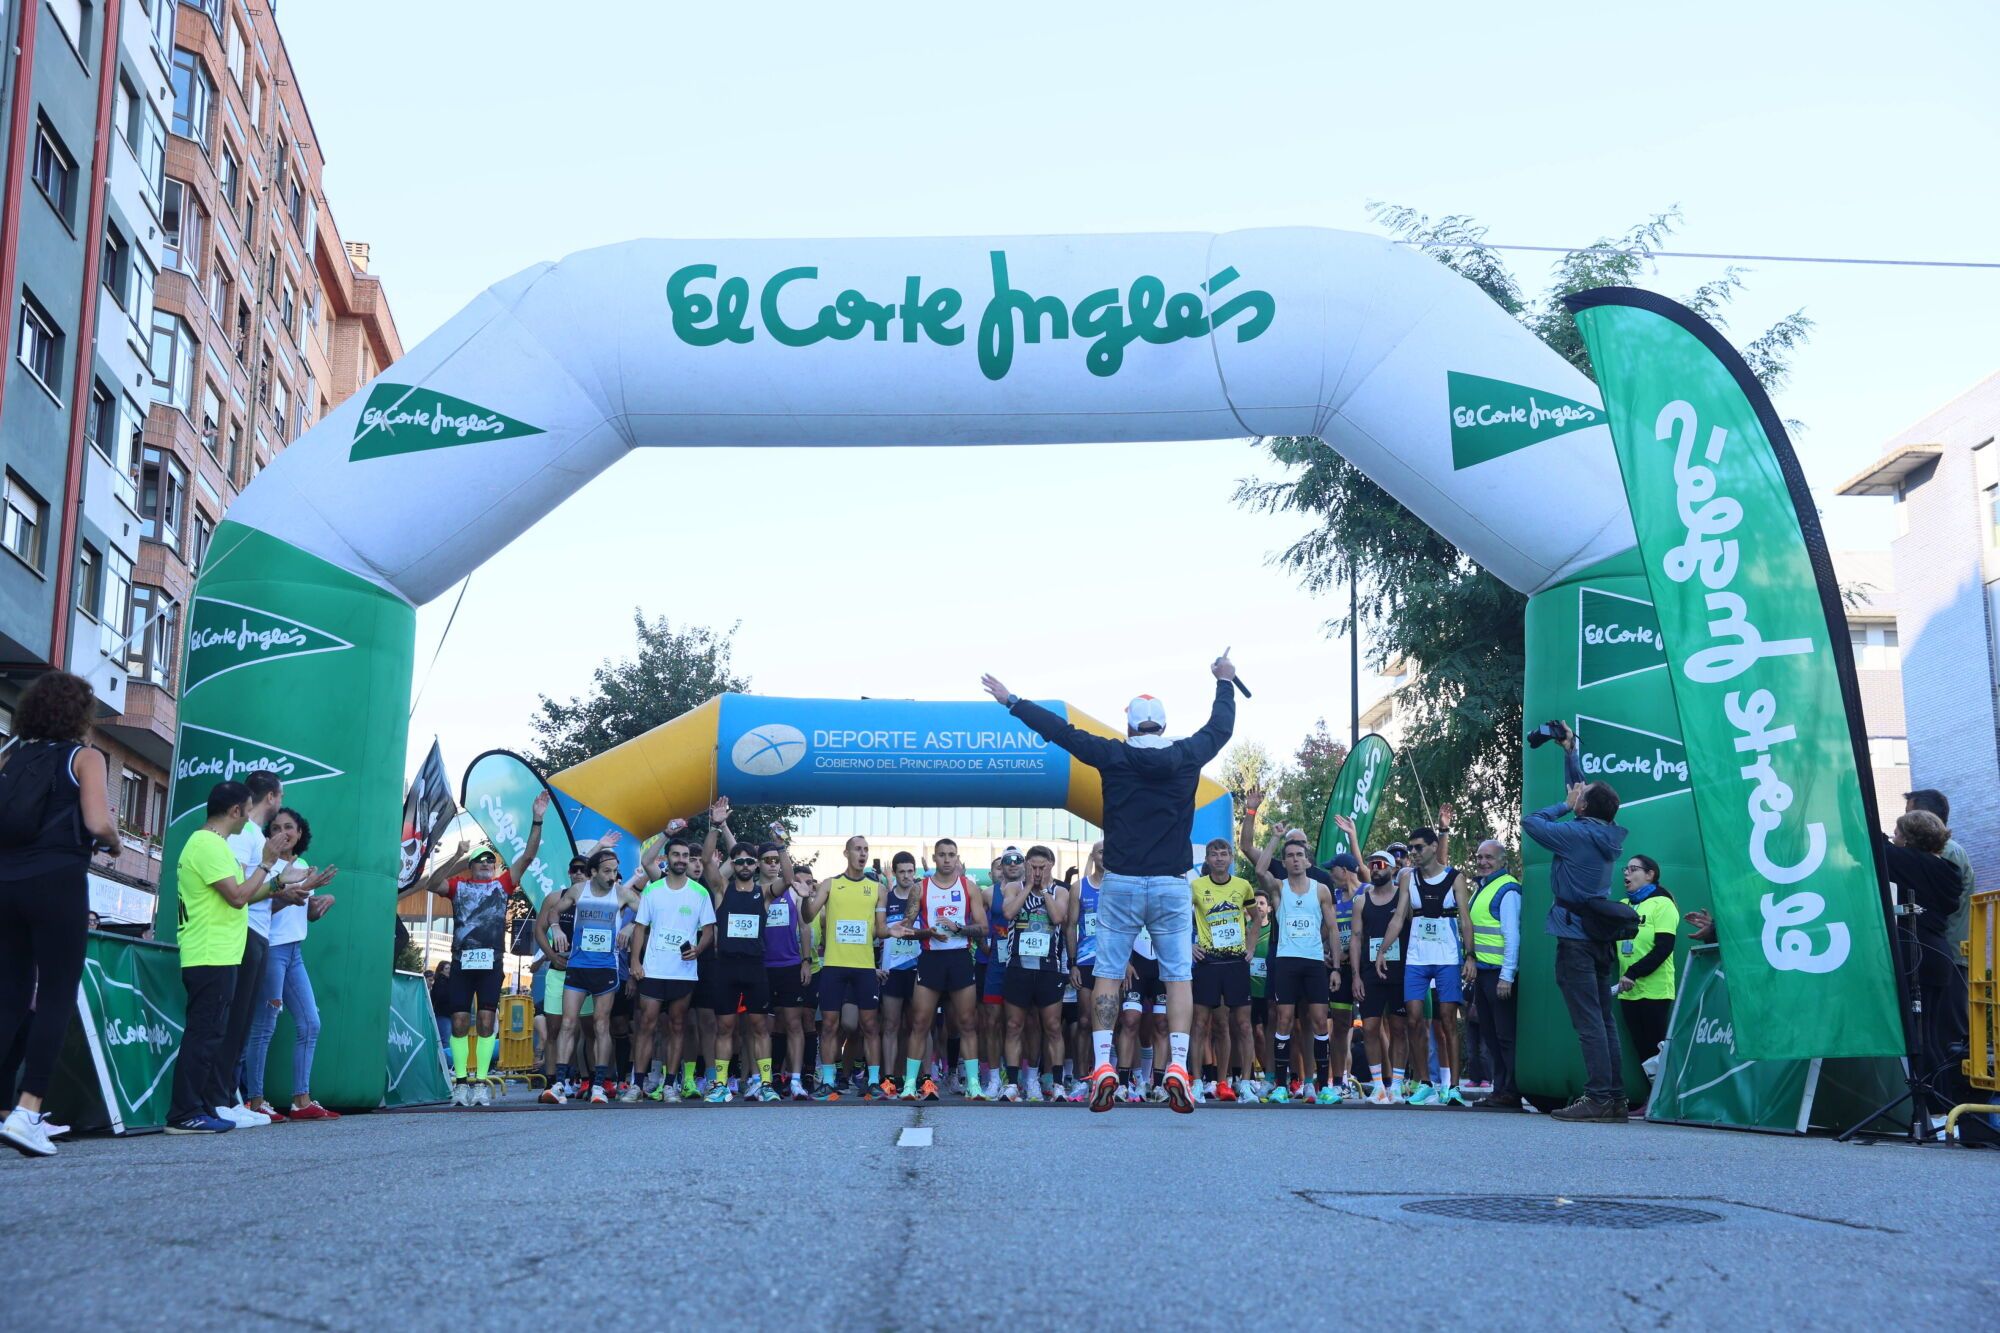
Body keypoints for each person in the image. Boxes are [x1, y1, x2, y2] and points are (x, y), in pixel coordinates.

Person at [982, 653, 1237, 1115]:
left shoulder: (1113, 755)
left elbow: (1061, 733)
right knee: (1179, 975)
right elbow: (1221, 727)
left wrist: (1012, 701)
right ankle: (1178, 1066)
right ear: (1161, 725)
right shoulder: (1186, 756)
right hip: (1170, 884)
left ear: (1132, 726)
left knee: (1107, 974)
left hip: (1119, 882)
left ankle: (1103, 1067)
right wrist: (1224, 680)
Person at [0, 670, 122, 1157]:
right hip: (57, 884)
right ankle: (29, 1111)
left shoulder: (11, 754)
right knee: (54, 995)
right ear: (80, 716)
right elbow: (96, 821)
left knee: (7, 996)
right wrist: (112, 842)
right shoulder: (84, 757)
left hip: (5, 882)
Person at [164, 782, 316, 1135]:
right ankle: (183, 1112)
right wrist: (266, 864)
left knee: (214, 1034)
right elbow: (237, 896)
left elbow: (246, 895)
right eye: (247, 811)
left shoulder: (214, 845)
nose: (250, 818)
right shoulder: (206, 844)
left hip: (220, 953)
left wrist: (281, 886)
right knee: (204, 1036)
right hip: (208, 952)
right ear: (234, 811)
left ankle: (201, 1107)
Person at [405, 791, 547, 1107]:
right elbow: (431, 883)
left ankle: (480, 1082)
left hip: (491, 963)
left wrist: (537, 819)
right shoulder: (459, 886)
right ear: (470, 868)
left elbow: (527, 856)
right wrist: (456, 855)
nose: (485, 864)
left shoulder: (503, 885)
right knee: (458, 1021)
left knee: (485, 1020)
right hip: (460, 963)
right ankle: (461, 1082)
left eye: (490, 861)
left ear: (496, 867)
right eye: (479, 861)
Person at [1524, 726, 1629, 1124]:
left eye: (1579, 800)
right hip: (1596, 940)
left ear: (1583, 810)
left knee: (1589, 1023)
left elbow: (1532, 822)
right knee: (1603, 1020)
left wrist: (1563, 805)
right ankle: (1614, 1099)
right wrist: (1570, 751)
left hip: (1575, 941)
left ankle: (1599, 1097)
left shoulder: (1574, 833)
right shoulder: (1603, 833)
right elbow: (1582, 790)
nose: (1575, 796)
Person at [241, 807, 341, 1122]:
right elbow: (258, 908)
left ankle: (301, 1101)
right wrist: (296, 892)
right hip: (270, 949)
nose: (282, 833)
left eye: (289, 828)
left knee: (310, 1023)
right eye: (276, 828)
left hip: (294, 951)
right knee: (264, 1026)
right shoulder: (263, 864)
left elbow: (302, 913)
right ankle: (254, 1102)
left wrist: (316, 907)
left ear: (300, 835)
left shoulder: (301, 867)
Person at [1382, 822, 1472, 1108]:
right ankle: (1425, 1083)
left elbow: (1466, 920)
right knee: (1413, 1018)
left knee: (1447, 1020)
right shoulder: (1408, 878)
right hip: (1417, 958)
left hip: (1446, 957)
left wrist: (1471, 956)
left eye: (1419, 847)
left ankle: (1453, 1087)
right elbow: (1398, 917)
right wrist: (1383, 950)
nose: (1414, 852)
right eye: (1411, 848)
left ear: (1434, 847)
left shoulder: (1455, 878)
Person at [891, 837, 987, 1101]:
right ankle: (911, 1084)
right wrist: (926, 932)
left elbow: (984, 928)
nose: (947, 859)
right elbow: (904, 930)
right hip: (931, 959)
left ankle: (974, 1085)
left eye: (951, 855)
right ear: (934, 859)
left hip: (959, 958)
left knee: (967, 1023)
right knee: (920, 1022)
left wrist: (959, 929)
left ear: (958, 858)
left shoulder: (969, 887)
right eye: (942, 855)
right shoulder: (921, 888)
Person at [219, 770, 288, 1127]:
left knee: (244, 1020)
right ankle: (222, 1099)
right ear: (272, 797)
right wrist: (276, 880)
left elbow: (253, 890)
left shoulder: (256, 836)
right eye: (281, 796)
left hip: (259, 931)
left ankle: (230, 1097)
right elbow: (239, 892)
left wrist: (282, 886)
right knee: (235, 1020)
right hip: (242, 932)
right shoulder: (243, 834)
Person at [549, 847, 645, 1103]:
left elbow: (649, 913)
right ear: (593, 872)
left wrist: (630, 924)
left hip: (605, 968)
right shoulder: (579, 891)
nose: (612, 876)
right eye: (606, 871)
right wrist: (557, 929)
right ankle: (559, 1084)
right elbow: (553, 912)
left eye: (615, 871)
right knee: (568, 1024)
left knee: (602, 1025)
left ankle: (600, 1086)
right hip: (578, 966)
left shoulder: (622, 893)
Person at [1250, 832, 1340, 1104]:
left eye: (1299, 855)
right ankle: (1280, 1084)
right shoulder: (1278, 888)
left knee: (1319, 1022)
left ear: (1307, 860)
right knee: (1284, 1020)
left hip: (1313, 962)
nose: (1295, 860)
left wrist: (1335, 966)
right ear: (1285, 861)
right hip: (1286, 961)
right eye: (1289, 856)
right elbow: (1259, 868)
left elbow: (1333, 928)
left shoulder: (1321, 889)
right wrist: (1275, 838)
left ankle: (1323, 1086)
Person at [626, 835, 715, 1102]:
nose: (681, 860)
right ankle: (636, 1084)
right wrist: (635, 962)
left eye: (685, 856)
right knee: (646, 1025)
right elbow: (640, 928)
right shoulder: (653, 890)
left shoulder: (699, 892)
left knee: (678, 1025)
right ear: (667, 859)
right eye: (676, 855)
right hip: (653, 969)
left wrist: (698, 950)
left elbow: (709, 930)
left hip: (683, 971)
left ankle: (669, 1084)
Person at [1885, 809, 1965, 1101]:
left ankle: (1930, 1104)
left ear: (1909, 839)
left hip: (1916, 950)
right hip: (1938, 951)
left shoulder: (1911, 862)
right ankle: (1940, 1104)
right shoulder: (1946, 870)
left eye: (1897, 833)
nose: (1893, 838)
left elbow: (1877, 848)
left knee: (1917, 1034)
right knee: (1930, 1032)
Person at [702, 800, 777, 1103]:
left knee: (760, 1027)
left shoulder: (765, 892)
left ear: (756, 865)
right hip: (727, 966)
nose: (745, 865)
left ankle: (767, 1083)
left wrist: (781, 848)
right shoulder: (722, 889)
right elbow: (707, 860)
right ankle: (720, 1084)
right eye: (740, 862)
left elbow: (784, 877)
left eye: (750, 862)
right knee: (725, 1027)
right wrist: (716, 826)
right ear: (733, 866)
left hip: (755, 966)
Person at [807, 835, 885, 1101]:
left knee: (870, 1026)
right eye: (857, 849)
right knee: (829, 1025)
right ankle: (828, 1081)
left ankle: (873, 1082)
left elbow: (882, 930)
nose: (862, 854)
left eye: (866, 850)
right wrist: (807, 897)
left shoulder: (877, 889)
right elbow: (808, 916)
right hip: (834, 966)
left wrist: (901, 931)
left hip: (864, 967)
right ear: (846, 853)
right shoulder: (831, 884)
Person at [1189, 836, 1258, 1104]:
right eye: (1214, 854)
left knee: (1242, 1025)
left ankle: (1243, 1083)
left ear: (1231, 858)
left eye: (1224, 853)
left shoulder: (1243, 886)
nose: (1219, 858)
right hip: (1208, 963)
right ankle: (1196, 1083)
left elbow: (1256, 918)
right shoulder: (1196, 886)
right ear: (1207, 859)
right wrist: (1189, 944)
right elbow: (1179, 918)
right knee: (1200, 1024)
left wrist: (1250, 948)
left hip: (1235, 964)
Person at [998, 845, 1070, 1101]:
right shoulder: (1014, 888)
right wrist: (1028, 886)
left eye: (1042, 867)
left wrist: (1044, 891)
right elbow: (1008, 912)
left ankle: (1058, 1084)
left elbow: (1058, 917)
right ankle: (1013, 1084)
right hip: (1019, 965)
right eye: (1033, 867)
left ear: (1051, 865)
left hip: (1049, 967)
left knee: (1051, 1026)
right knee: (1014, 1025)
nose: (1038, 872)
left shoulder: (1060, 891)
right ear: (1027, 866)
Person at [1614, 854, 1678, 1117]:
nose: (1626, 874)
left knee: (1656, 1046)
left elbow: (1664, 947)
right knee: (1642, 1048)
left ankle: (1667, 1100)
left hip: (1654, 989)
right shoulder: (1623, 905)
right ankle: (1654, 1099)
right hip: (1628, 991)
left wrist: (1634, 973)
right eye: (1625, 869)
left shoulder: (1663, 904)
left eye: (1633, 869)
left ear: (1650, 874)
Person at [1465, 840, 1524, 1112]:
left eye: (1489, 857)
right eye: (1479, 857)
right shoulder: (1482, 888)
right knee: (1490, 1034)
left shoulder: (1507, 889)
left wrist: (1507, 976)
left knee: (1505, 1036)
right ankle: (1499, 1089)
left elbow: (1512, 936)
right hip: (1484, 974)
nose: (1483, 861)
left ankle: (1511, 1090)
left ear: (1502, 860)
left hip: (1499, 976)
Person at [877, 852, 922, 1096]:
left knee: (918, 1026)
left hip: (917, 970)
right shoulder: (887, 896)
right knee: (891, 1025)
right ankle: (889, 1077)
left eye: (910, 871)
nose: (906, 876)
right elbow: (879, 930)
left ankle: (922, 1077)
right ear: (894, 873)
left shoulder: (922, 895)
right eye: (902, 871)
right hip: (891, 970)